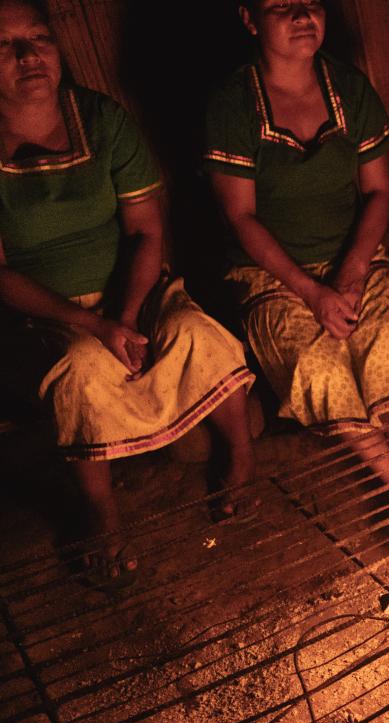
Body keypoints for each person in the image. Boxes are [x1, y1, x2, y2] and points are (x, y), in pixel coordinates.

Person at [0, 0, 257, 589]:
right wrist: (93, 326)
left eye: (38, 37)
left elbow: (146, 229)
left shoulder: (102, 119)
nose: (28, 54)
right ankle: (104, 513)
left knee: (196, 332)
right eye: (6, 44)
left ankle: (241, 457)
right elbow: (3, 278)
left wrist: (127, 313)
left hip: (133, 291)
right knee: (84, 369)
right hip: (44, 314)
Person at [204, 0, 389, 508]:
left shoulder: (349, 88)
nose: (302, 15)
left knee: (386, 343)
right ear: (249, 19)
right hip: (272, 275)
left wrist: (351, 276)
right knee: (320, 367)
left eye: (310, 3)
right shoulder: (233, 105)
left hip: (354, 258)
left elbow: (378, 194)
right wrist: (312, 293)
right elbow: (241, 218)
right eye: (281, 6)